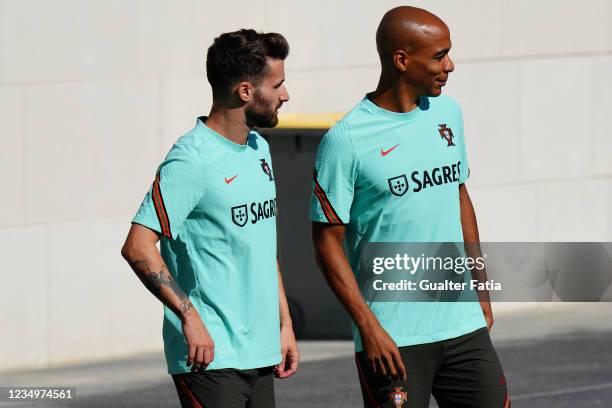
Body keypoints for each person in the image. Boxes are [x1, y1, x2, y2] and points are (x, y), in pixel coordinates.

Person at [310, 6, 510, 408]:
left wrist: (481, 288)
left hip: (461, 324)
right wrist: (369, 328)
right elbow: (326, 243)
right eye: (439, 56)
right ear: (401, 59)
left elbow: (459, 197)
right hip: (393, 339)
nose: (449, 65)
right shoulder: (345, 140)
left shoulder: (448, 113)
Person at [121, 29, 298, 408]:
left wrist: (283, 324)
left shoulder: (258, 149)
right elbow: (137, 245)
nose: (285, 95)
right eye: (278, 85)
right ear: (246, 91)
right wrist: (189, 316)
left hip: (261, 352)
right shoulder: (191, 159)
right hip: (210, 357)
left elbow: (261, 247)